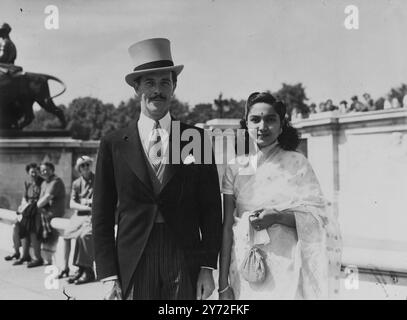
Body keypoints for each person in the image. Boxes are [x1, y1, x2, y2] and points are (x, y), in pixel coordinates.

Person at [92, 38, 223, 300]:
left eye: (165, 82)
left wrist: (208, 268)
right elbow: (102, 214)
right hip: (134, 259)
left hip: (184, 258)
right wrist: (109, 275)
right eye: (149, 83)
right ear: (136, 88)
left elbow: (210, 208)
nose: (157, 91)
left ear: (174, 87)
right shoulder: (114, 143)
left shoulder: (193, 138)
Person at [218, 92, 342, 299]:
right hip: (243, 265)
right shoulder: (235, 168)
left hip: (287, 267)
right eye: (255, 119)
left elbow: (320, 218)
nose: (262, 126)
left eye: (270, 119)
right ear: (246, 124)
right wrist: (223, 284)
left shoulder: (297, 162)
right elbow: (226, 226)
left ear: (281, 125)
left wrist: (277, 217)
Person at [59, 156, 95, 285]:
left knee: (84, 236)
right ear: (79, 169)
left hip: (92, 216)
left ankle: (87, 269)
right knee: (67, 235)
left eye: (87, 165)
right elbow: (72, 204)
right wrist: (86, 205)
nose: (85, 167)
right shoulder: (76, 183)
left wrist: (86, 204)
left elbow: (98, 201)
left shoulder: (97, 180)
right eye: (82, 166)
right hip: (80, 215)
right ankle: (66, 267)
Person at [28, 161, 66, 267]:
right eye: (42, 170)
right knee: (26, 222)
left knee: (31, 224)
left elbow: (45, 199)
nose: (44, 172)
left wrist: (32, 208)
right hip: (45, 212)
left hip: (53, 213)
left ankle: (37, 258)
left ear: (52, 170)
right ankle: (29, 255)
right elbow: (40, 201)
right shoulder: (44, 183)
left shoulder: (56, 181)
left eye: (46, 170)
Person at [5, 163, 43, 263]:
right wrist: (22, 208)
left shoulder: (42, 183)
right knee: (16, 226)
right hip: (27, 210)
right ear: (28, 173)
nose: (34, 174)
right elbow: (25, 198)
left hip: (36, 211)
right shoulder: (28, 183)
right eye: (32, 172)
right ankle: (17, 252)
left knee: (30, 229)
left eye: (36, 172)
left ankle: (31, 257)